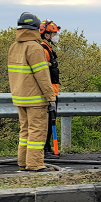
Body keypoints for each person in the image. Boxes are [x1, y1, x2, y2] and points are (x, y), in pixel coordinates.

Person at [8, 12, 56, 172]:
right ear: (35, 29)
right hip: (35, 99)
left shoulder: (14, 47)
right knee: (37, 131)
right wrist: (51, 97)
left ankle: (23, 162)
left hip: (20, 98)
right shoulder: (34, 47)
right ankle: (35, 164)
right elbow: (42, 76)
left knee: (25, 130)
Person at [39, 20, 61, 159]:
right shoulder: (43, 49)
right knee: (47, 121)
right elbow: (43, 72)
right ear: (46, 34)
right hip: (49, 92)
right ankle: (45, 150)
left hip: (53, 90)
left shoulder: (49, 49)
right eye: (52, 34)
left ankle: (48, 148)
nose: (54, 37)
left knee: (51, 120)